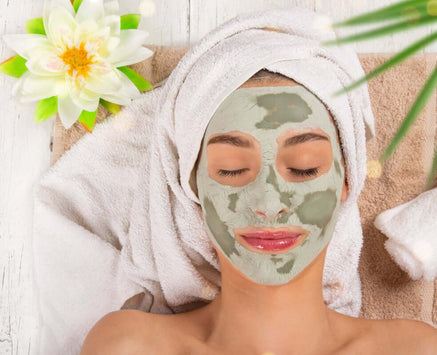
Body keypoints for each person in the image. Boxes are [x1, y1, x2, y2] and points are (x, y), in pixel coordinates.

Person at [80, 71, 437, 354]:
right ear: (194, 187)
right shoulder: (130, 346)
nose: (267, 204)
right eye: (231, 170)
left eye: (304, 168)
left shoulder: (415, 349)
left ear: (347, 181)